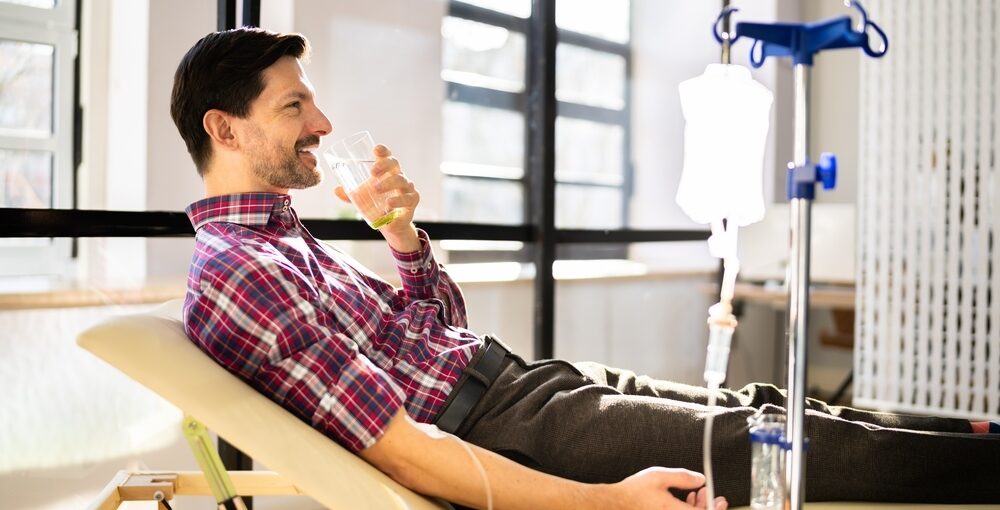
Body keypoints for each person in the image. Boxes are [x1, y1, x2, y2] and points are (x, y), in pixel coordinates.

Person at [172, 27, 1000, 510]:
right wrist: (606, 504)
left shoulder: (283, 239)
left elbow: (439, 332)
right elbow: (404, 452)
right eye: (293, 106)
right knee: (775, 444)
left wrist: (403, 240)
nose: (322, 120)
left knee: (766, 402)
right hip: (501, 427)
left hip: (520, 384)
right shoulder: (239, 273)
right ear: (228, 129)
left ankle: (979, 438)